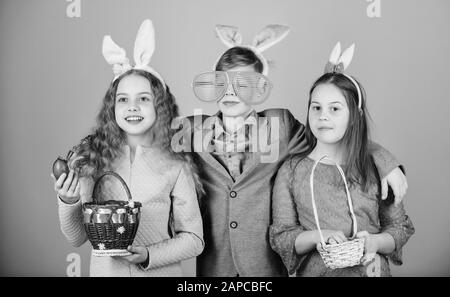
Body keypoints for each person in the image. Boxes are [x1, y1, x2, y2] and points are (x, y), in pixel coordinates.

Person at [174, 25, 408, 276]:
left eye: (243, 83)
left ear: (260, 88)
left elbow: (329, 136)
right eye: (222, 82)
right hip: (215, 266)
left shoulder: (280, 126)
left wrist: (385, 162)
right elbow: (148, 145)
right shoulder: (191, 129)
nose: (230, 91)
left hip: (265, 267)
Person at [51, 20, 204, 276]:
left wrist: (149, 254)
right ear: (113, 108)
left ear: (160, 106)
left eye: (143, 99)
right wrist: (68, 200)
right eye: (123, 100)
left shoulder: (176, 164)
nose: (132, 107)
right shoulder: (91, 160)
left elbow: (194, 239)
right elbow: (76, 238)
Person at [269, 42, 414, 276]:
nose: (323, 116)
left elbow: (399, 228)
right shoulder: (292, 170)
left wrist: (375, 243)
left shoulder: (376, 167)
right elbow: (282, 236)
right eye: (316, 108)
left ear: (355, 116)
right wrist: (319, 236)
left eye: (334, 109)